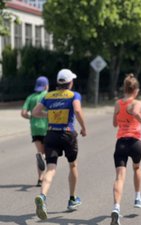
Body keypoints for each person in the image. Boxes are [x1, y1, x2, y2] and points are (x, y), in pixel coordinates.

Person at [32, 68, 87, 220]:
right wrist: (83, 127)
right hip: (68, 134)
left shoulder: (48, 96)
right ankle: (72, 199)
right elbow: (77, 110)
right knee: (73, 165)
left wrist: (49, 114)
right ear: (70, 82)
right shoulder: (74, 95)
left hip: (51, 135)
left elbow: (35, 112)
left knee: (50, 169)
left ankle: (42, 197)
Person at [111, 73, 141, 225]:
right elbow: (133, 111)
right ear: (136, 90)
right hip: (134, 142)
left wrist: (120, 117)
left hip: (121, 143)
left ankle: (116, 208)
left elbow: (114, 123)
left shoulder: (118, 103)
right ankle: (137, 197)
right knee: (137, 168)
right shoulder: (137, 103)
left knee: (119, 177)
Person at [21, 76, 49, 187]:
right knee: (48, 152)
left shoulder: (30, 97)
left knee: (40, 152)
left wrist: (31, 118)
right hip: (47, 128)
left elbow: (23, 113)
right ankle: (45, 168)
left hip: (35, 128)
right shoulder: (47, 96)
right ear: (46, 86)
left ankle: (40, 179)